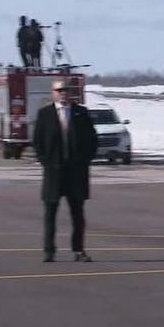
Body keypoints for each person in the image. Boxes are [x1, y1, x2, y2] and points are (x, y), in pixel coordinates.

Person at [33, 79, 98, 263]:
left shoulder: (80, 113)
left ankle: (78, 250)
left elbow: (92, 140)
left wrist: (85, 161)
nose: (63, 93)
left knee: (78, 216)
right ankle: (49, 250)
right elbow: (37, 141)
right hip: (54, 174)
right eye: (59, 90)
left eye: (66, 90)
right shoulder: (45, 114)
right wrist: (46, 161)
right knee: (50, 215)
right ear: (53, 93)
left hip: (75, 175)